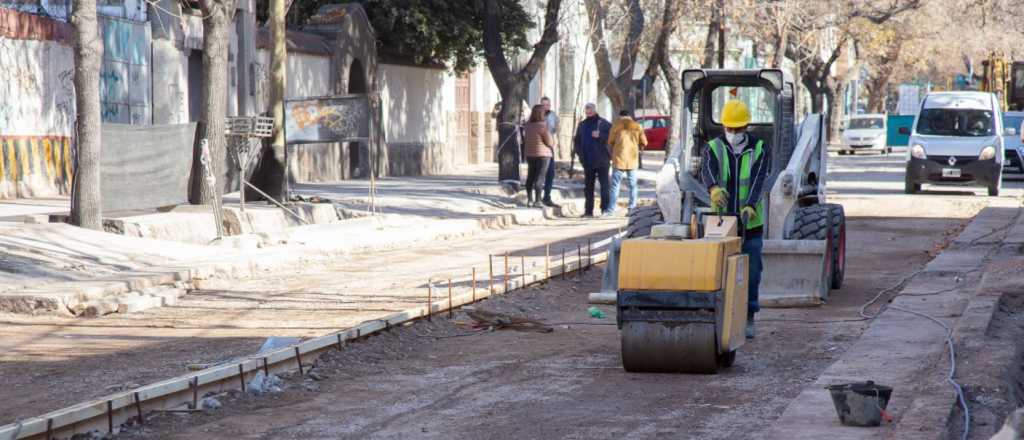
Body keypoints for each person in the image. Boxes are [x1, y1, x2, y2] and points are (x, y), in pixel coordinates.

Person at [700, 99, 771, 339]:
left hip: (750, 224)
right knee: (716, 272)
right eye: (729, 129)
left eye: (737, 129)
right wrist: (713, 189)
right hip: (721, 223)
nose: (733, 133)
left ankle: (749, 315)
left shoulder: (760, 148)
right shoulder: (714, 147)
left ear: (746, 127)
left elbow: (759, 180)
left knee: (751, 273)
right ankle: (715, 316)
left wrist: (751, 204)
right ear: (724, 127)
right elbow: (707, 169)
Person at [573, 103, 611, 217]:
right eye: (587, 111)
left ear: (595, 110)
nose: (588, 112)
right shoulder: (582, 125)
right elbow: (577, 142)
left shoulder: (604, 123)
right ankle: (588, 211)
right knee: (588, 187)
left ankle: (605, 209)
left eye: (590, 110)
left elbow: (613, 138)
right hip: (588, 161)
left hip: (602, 160)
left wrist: (601, 135)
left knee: (604, 186)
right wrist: (581, 156)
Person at [607, 109, 647, 216]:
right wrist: (639, 149)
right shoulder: (637, 126)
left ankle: (611, 210)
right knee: (633, 186)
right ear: (629, 116)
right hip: (632, 160)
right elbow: (644, 142)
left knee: (615, 185)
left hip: (619, 159)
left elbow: (610, 141)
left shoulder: (616, 125)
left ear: (620, 116)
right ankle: (632, 209)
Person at [523, 105, 556, 207]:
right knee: (540, 177)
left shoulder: (527, 125)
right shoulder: (542, 125)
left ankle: (529, 200)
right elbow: (549, 142)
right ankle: (538, 201)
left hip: (530, 154)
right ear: (541, 114)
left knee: (530, 177)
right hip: (543, 155)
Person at [540, 97, 560, 207]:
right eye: (544, 105)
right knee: (539, 174)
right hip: (538, 147)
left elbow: (557, 129)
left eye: (548, 105)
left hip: (549, 146)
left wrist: (557, 125)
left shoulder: (553, 115)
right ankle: (536, 198)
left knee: (550, 173)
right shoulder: (536, 115)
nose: (546, 107)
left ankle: (547, 197)